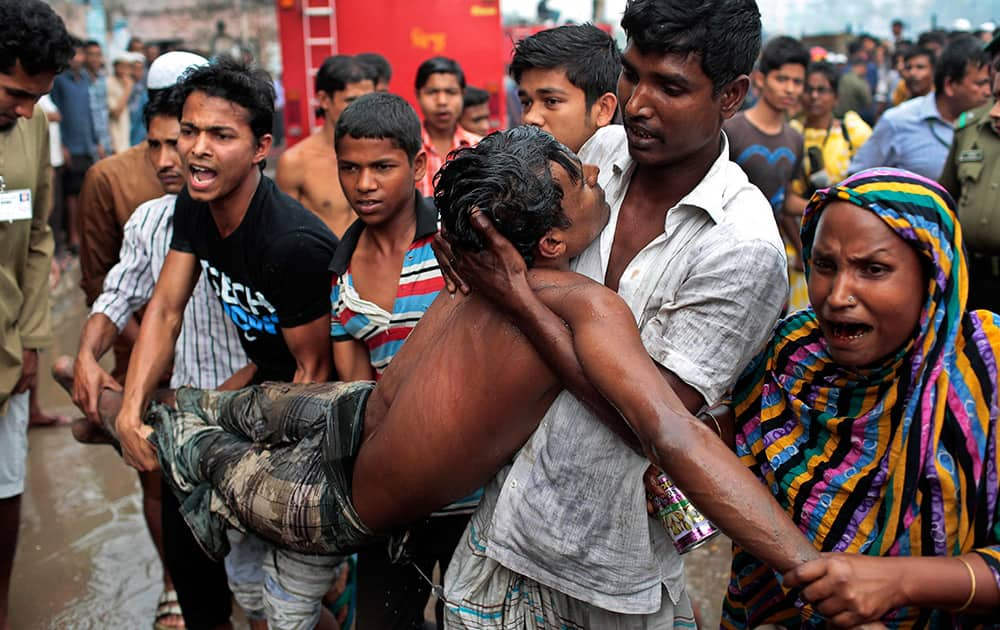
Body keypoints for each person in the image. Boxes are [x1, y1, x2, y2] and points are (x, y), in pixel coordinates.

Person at [94, 127, 819, 622]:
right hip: (344, 472)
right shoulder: (582, 301)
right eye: (585, 181)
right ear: (555, 238)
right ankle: (108, 404)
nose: (602, 171)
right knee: (193, 441)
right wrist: (806, 563)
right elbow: (668, 431)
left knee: (199, 424)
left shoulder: (475, 264)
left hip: (352, 435)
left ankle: (109, 400)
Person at [442, 0, 790, 625]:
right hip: (499, 524)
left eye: (671, 87)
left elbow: (648, 419)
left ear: (732, 95)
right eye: (632, 74)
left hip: (608, 569)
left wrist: (521, 301)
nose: (636, 104)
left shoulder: (741, 247)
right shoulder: (596, 154)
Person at [115, 57, 339, 630]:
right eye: (190, 131)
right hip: (258, 380)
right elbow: (165, 310)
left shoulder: (290, 243)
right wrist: (130, 412)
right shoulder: (197, 202)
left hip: (312, 407)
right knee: (191, 515)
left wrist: (244, 471)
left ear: (261, 147)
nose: (197, 149)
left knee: (292, 604)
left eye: (221, 135)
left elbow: (312, 376)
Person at [722, 168, 1000, 628]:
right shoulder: (792, 353)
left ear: (932, 275)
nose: (837, 295)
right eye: (825, 265)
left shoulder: (985, 373)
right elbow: (737, 459)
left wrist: (901, 580)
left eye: (873, 269)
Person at [57, 85, 248, 630]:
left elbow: (284, 344)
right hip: (180, 415)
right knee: (198, 587)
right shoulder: (150, 220)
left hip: (247, 414)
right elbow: (118, 298)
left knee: (268, 590)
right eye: (168, 142)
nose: (176, 158)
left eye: (189, 137)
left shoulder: (264, 220)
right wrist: (88, 356)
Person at [327, 92, 456, 629]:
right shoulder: (341, 274)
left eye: (382, 167)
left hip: (475, 489)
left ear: (418, 165)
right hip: (393, 496)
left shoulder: (454, 244)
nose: (364, 184)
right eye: (350, 169)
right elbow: (355, 398)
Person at [0, 2, 73, 628]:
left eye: (36, 98)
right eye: (14, 93)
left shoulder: (33, 126)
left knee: (5, 490)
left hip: (7, 346)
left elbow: (36, 236)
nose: (25, 110)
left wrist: (31, 339)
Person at [787, 60, 873, 310]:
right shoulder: (791, 134)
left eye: (822, 90)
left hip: (851, 236)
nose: (814, 96)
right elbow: (786, 200)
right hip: (798, 241)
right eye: (809, 89)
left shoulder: (852, 131)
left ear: (835, 97)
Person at [850, 35, 991, 180]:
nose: (988, 91)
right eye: (981, 84)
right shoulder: (897, 122)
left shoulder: (989, 123)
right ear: (949, 85)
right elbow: (856, 179)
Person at [275, 54, 374, 237]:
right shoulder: (295, 162)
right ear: (324, 100)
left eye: (368, 101)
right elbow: (285, 233)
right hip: (325, 263)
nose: (362, 109)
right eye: (351, 101)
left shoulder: (382, 155)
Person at [940, 61, 1000, 313]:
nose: (995, 111)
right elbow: (945, 197)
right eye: (996, 97)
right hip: (970, 273)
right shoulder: (969, 128)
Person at [509, 23, 620, 155]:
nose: (530, 118)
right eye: (526, 103)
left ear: (603, 109)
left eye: (551, 101)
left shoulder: (630, 171)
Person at [50, 39, 99, 253]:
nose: (77, 59)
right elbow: (55, 114)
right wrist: (62, 145)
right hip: (71, 146)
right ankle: (73, 237)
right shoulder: (60, 81)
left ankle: (85, 235)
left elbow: (90, 114)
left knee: (86, 193)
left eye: (79, 54)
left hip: (87, 144)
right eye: (73, 55)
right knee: (71, 195)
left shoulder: (85, 80)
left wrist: (96, 141)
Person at [414, 56, 481, 197]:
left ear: (462, 94)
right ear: (418, 94)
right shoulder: (408, 148)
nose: (442, 101)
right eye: (432, 92)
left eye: (451, 92)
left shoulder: (480, 148)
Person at [82, 40, 112, 157]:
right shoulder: (80, 80)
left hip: (106, 140)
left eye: (98, 55)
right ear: (85, 56)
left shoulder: (104, 80)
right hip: (88, 142)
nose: (95, 58)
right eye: (91, 54)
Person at [107, 52, 135, 154]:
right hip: (114, 141)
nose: (127, 70)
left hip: (125, 141)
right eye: (124, 66)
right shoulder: (109, 83)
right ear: (116, 66)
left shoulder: (123, 83)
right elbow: (116, 112)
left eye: (128, 66)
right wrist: (128, 89)